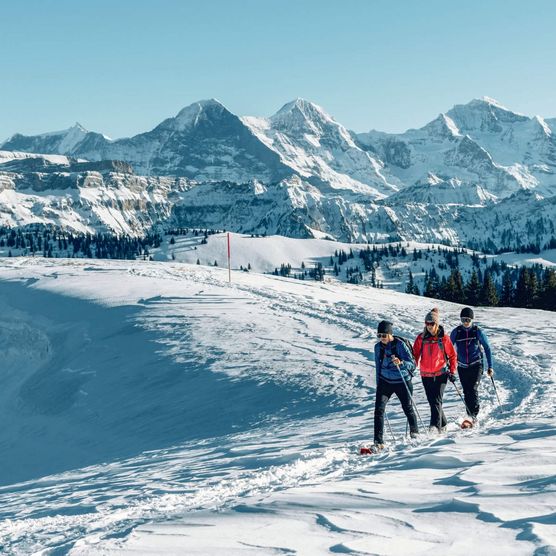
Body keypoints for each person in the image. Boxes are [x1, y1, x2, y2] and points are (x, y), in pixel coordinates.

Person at [373, 320, 419, 450]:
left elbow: (413, 364)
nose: (381, 338)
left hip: (401, 380)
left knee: (408, 408)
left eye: (384, 335)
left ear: (390, 334)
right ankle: (378, 441)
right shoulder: (377, 347)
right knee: (379, 410)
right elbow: (378, 367)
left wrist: (401, 362)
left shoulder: (400, 345)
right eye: (379, 335)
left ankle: (415, 434)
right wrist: (378, 384)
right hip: (384, 382)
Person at [413, 308, 457, 433]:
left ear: (436, 324)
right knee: (433, 402)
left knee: (436, 400)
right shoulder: (421, 338)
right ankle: (443, 423)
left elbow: (453, 356)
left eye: (431, 324)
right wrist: (411, 368)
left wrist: (452, 371)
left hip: (441, 373)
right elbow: (415, 355)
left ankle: (435, 428)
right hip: (425, 374)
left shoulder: (444, 339)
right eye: (427, 324)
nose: (429, 326)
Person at [450, 307, 494, 423]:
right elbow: (448, 349)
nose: (465, 322)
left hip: (476, 364)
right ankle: (469, 415)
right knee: (466, 391)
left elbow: (487, 348)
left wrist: (490, 366)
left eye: (468, 320)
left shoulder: (477, 331)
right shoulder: (457, 332)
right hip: (462, 366)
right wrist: (449, 367)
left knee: (473, 389)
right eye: (463, 319)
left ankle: (473, 416)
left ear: (472, 320)